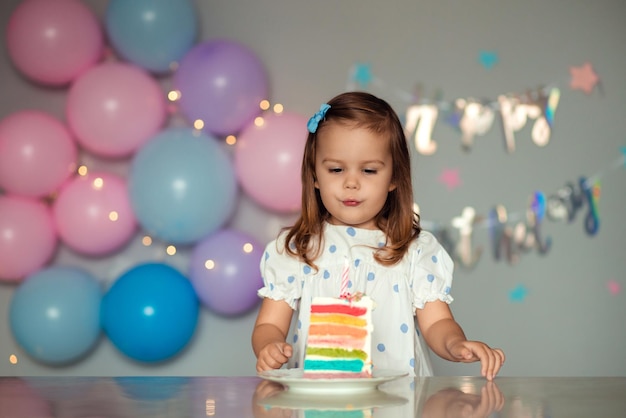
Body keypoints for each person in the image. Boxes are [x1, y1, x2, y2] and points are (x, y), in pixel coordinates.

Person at [251, 91, 505, 380]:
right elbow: (269, 325)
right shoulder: (299, 249)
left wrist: (456, 344)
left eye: (369, 170)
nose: (351, 183)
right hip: (320, 401)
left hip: (400, 402)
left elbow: (437, 324)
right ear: (314, 175)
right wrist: (269, 346)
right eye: (335, 169)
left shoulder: (414, 250)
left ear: (394, 177)